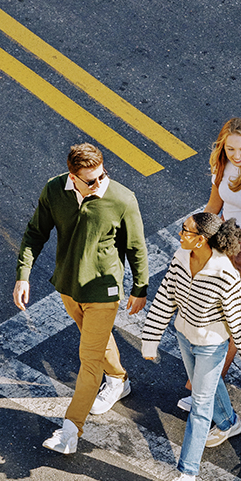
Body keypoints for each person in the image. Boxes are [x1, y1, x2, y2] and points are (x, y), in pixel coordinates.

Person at [13, 142, 148, 456]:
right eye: (91, 180)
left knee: (89, 361)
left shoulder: (122, 199)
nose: (99, 184)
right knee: (96, 341)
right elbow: (35, 233)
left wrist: (140, 287)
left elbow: (136, 248)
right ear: (72, 177)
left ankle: (70, 431)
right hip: (69, 287)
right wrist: (23, 275)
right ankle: (119, 379)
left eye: (102, 176)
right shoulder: (54, 192)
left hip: (104, 291)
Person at [140, 211, 241, 481]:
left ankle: (187, 475)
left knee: (201, 405)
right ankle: (230, 423)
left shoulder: (225, 273)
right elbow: (165, 298)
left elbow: (237, 318)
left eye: (186, 231)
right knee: (205, 385)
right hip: (184, 335)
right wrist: (150, 341)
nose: (180, 234)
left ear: (202, 240)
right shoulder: (181, 258)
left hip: (211, 344)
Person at [176, 118, 241, 406]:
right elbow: (213, 206)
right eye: (231, 148)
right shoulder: (221, 166)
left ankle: (204, 391)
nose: (237, 155)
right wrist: (197, 238)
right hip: (226, 240)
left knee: (231, 316)